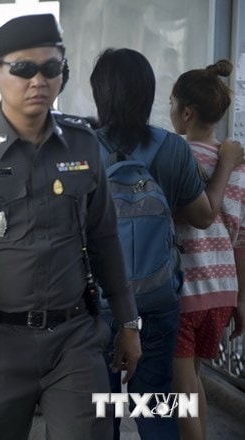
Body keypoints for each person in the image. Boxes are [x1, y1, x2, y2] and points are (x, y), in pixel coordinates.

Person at [0, 14, 142, 440]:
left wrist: (128, 322)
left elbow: (104, 238)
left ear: (63, 72)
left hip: (75, 339)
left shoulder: (83, 143)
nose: (37, 80)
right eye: (23, 69)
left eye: (50, 68)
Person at [90, 48, 244, 440]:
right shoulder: (172, 148)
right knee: (158, 401)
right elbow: (203, 216)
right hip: (158, 298)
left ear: (99, 94)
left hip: (103, 299)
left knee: (103, 401)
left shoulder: (84, 149)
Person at [168, 59, 245, 440]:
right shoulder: (239, 167)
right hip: (222, 294)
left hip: (187, 293)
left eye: (171, 105)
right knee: (192, 380)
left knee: (179, 394)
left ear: (185, 112)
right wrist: (241, 300)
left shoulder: (177, 158)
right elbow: (242, 240)